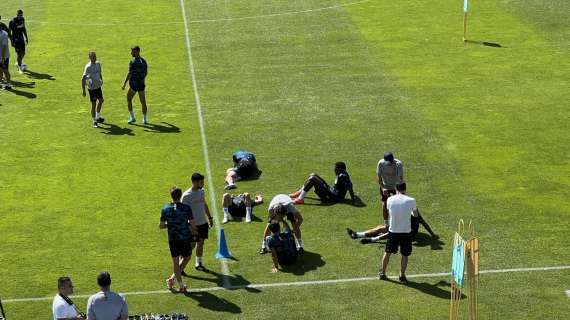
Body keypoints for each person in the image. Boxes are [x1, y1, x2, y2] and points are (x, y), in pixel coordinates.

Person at [160, 186, 197, 293]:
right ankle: (181, 286)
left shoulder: (165, 209)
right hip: (184, 238)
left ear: (171, 196)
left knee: (176, 262)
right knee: (187, 257)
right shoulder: (186, 208)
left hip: (173, 240)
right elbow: (193, 224)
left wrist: (170, 224)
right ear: (180, 196)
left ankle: (172, 279)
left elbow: (161, 226)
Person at [379, 183, 418, 284]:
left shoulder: (390, 200)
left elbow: (389, 211)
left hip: (393, 231)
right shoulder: (411, 200)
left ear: (396, 189)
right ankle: (402, 275)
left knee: (387, 252)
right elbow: (415, 214)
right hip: (406, 232)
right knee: (405, 255)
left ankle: (382, 273)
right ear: (405, 189)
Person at [181, 173, 213, 272]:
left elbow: (204, 204)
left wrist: (209, 217)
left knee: (201, 243)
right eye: (201, 182)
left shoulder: (201, 191)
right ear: (195, 182)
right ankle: (180, 266)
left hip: (203, 223)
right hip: (193, 225)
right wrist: (188, 225)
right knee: (191, 246)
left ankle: (198, 262)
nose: (203, 184)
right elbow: (183, 212)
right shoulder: (186, 196)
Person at [347, 211, 438, 244]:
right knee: (380, 227)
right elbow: (425, 224)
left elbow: (424, 223)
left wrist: (432, 234)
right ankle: (358, 235)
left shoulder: (412, 216)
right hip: (403, 230)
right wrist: (432, 234)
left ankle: (372, 239)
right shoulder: (410, 213)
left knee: (388, 231)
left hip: (409, 235)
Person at [289, 161, 355, 205]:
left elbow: (349, 185)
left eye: (336, 168)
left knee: (313, 179)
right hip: (332, 192)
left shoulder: (342, 177)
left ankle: (300, 199)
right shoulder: (343, 174)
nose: (334, 170)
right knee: (313, 175)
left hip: (334, 198)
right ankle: (299, 193)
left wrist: (353, 199)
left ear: (340, 169)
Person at [121, 46, 148, 124]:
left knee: (129, 99)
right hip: (141, 85)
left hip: (134, 85)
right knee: (143, 102)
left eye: (132, 51)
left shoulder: (132, 62)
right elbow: (146, 73)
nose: (131, 53)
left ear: (137, 52)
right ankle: (145, 119)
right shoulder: (144, 61)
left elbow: (130, 74)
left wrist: (124, 83)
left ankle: (132, 118)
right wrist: (142, 80)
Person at [376, 152, 404, 225]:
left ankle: (398, 221)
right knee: (385, 204)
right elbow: (379, 178)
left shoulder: (398, 164)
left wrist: (398, 192)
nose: (390, 163)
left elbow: (400, 179)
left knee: (398, 204)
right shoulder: (381, 163)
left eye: (391, 161)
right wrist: (383, 188)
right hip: (385, 186)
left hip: (396, 186)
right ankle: (386, 222)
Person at [82, 52, 105, 128]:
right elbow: (83, 78)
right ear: (90, 58)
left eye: (95, 56)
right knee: (94, 105)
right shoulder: (88, 67)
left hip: (98, 87)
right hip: (92, 89)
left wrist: (101, 80)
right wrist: (84, 90)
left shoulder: (98, 64)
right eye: (92, 57)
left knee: (101, 100)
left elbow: (99, 73)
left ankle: (98, 117)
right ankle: (94, 121)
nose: (94, 58)